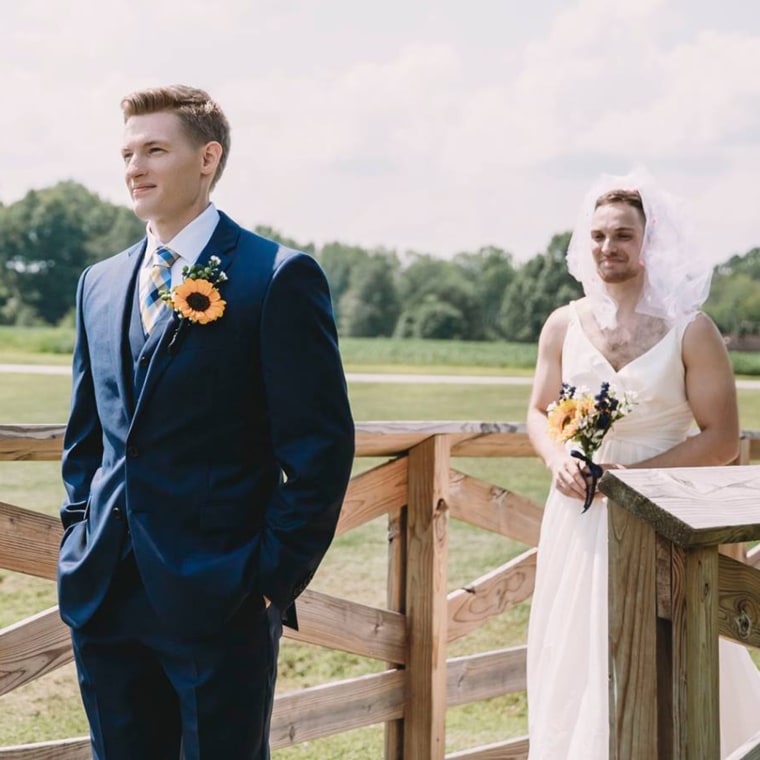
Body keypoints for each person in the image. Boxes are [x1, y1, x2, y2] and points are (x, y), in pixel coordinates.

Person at [57, 84, 355, 760]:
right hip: (105, 592)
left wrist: (266, 583)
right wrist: (79, 534)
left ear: (207, 158)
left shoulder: (276, 276)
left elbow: (320, 449)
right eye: (128, 152)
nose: (135, 167)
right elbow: (86, 438)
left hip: (222, 598)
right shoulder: (98, 284)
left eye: (155, 149)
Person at [525, 169, 760, 759]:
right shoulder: (563, 323)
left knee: (671, 648)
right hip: (578, 517)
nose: (609, 248)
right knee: (576, 649)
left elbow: (723, 437)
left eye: (623, 236)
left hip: (663, 516)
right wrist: (557, 457)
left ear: (649, 243)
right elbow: (535, 410)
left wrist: (638, 482)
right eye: (599, 235)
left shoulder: (691, 331)